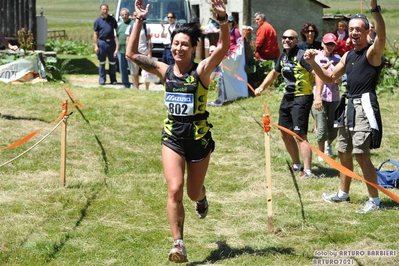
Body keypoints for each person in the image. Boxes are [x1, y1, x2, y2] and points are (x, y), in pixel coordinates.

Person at [126, 0, 229, 262]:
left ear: (194, 47)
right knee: (174, 189)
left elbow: (224, 48)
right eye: (176, 43)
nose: (179, 48)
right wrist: (139, 20)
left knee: (192, 192)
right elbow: (131, 55)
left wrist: (223, 20)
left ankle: (202, 197)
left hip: (198, 139)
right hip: (172, 137)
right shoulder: (164, 70)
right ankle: (179, 243)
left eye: (185, 44)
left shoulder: (201, 71)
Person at [304, 0, 386, 213]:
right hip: (347, 105)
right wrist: (313, 64)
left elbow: (383, 37)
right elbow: (330, 77)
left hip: (363, 106)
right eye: (351, 29)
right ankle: (343, 193)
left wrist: (374, 8)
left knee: (361, 154)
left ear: (367, 31)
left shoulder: (371, 53)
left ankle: (374, 201)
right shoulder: (349, 55)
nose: (354, 32)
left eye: (359, 29)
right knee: (343, 151)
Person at [254, 29, 318, 178]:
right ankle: (297, 164)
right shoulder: (283, 56)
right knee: (284, 132)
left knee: (300, 134)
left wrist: (319, 95)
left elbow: (316, 73)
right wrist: (262, 87)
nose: (287, 40)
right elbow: (274, 73)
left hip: (301, 97)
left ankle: (308, 171)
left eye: (291, 38)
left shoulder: (302, 55)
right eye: (284, 37)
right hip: (287, 97)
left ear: (296, 40)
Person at [311, 33, 341, 162]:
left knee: (334, 129)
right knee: (322, 128)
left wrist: (338, 79)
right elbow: (313, 73)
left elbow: (339, 77)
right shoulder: (316, 57)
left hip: (334, 97)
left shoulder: (338, 59)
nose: (329, 46)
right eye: (327, 44)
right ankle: (321, 153)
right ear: (322, 44)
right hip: (320, 96)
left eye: (332, 44)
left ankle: (328, 145)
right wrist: (324, 71)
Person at [125, 11, 152, 90]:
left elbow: (149, 40)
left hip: (144, 52)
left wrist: (150, 52)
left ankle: (147, 89)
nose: (136, 16)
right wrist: (128, 52)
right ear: (133, 17)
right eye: (134, 15)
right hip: (133, 53)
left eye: (138, 15)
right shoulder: (130, 27)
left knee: (146, 72)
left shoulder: (146, 27)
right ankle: (136, 88)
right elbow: (127, 41)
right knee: (134, 72)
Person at [93, 4, 118, 85]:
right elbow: (95, 34)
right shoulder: (97, 21)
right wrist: (96, 46)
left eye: (106, 9)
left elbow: (116, 32)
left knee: (112, 62)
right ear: (100, 10)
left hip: (111, 43)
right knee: (102, 62)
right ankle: (102, 79)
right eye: (103, 9)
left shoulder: (112, 20)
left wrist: (117, 46)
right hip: (102, 43)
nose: (105, 11)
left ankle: (113, 79)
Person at [116, 8, 133, 88]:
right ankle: (125, 84)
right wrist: (116, 50)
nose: (124, 16)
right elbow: (117, 38)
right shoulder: (120, 26)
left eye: (126, 14)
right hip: (121, 50)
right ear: (121, 16)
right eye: (123, 15)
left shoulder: (133, 24)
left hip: (130, 51)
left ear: (128, 15)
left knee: (132, 68)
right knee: (122, 69)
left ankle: (134, 83)